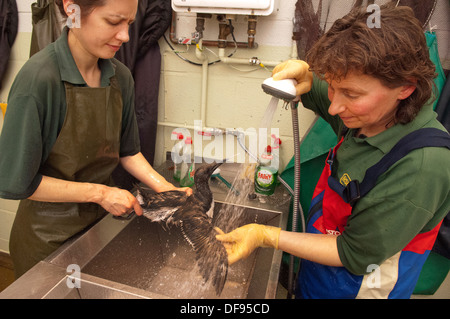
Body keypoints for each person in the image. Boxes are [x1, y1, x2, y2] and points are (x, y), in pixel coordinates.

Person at [216, 4, 450, 299]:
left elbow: (354, 253)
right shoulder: (375, 116)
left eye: (350, 94)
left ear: (405, 88)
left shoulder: (422, 164)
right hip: (318, 278)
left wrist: (266, 235)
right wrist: (306, 73)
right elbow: (318, 90)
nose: (334, 108)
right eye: (333, 88)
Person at [0, 0, 191, 278]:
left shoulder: (120, 77)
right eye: (114, 22)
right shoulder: (38, 79)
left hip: (96, 231)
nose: (125, 36)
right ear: (72, 9)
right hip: (46, 241)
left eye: (129, 23)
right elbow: (16, 182)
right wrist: (100, 193)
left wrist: (165, 188)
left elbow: (128, 151)